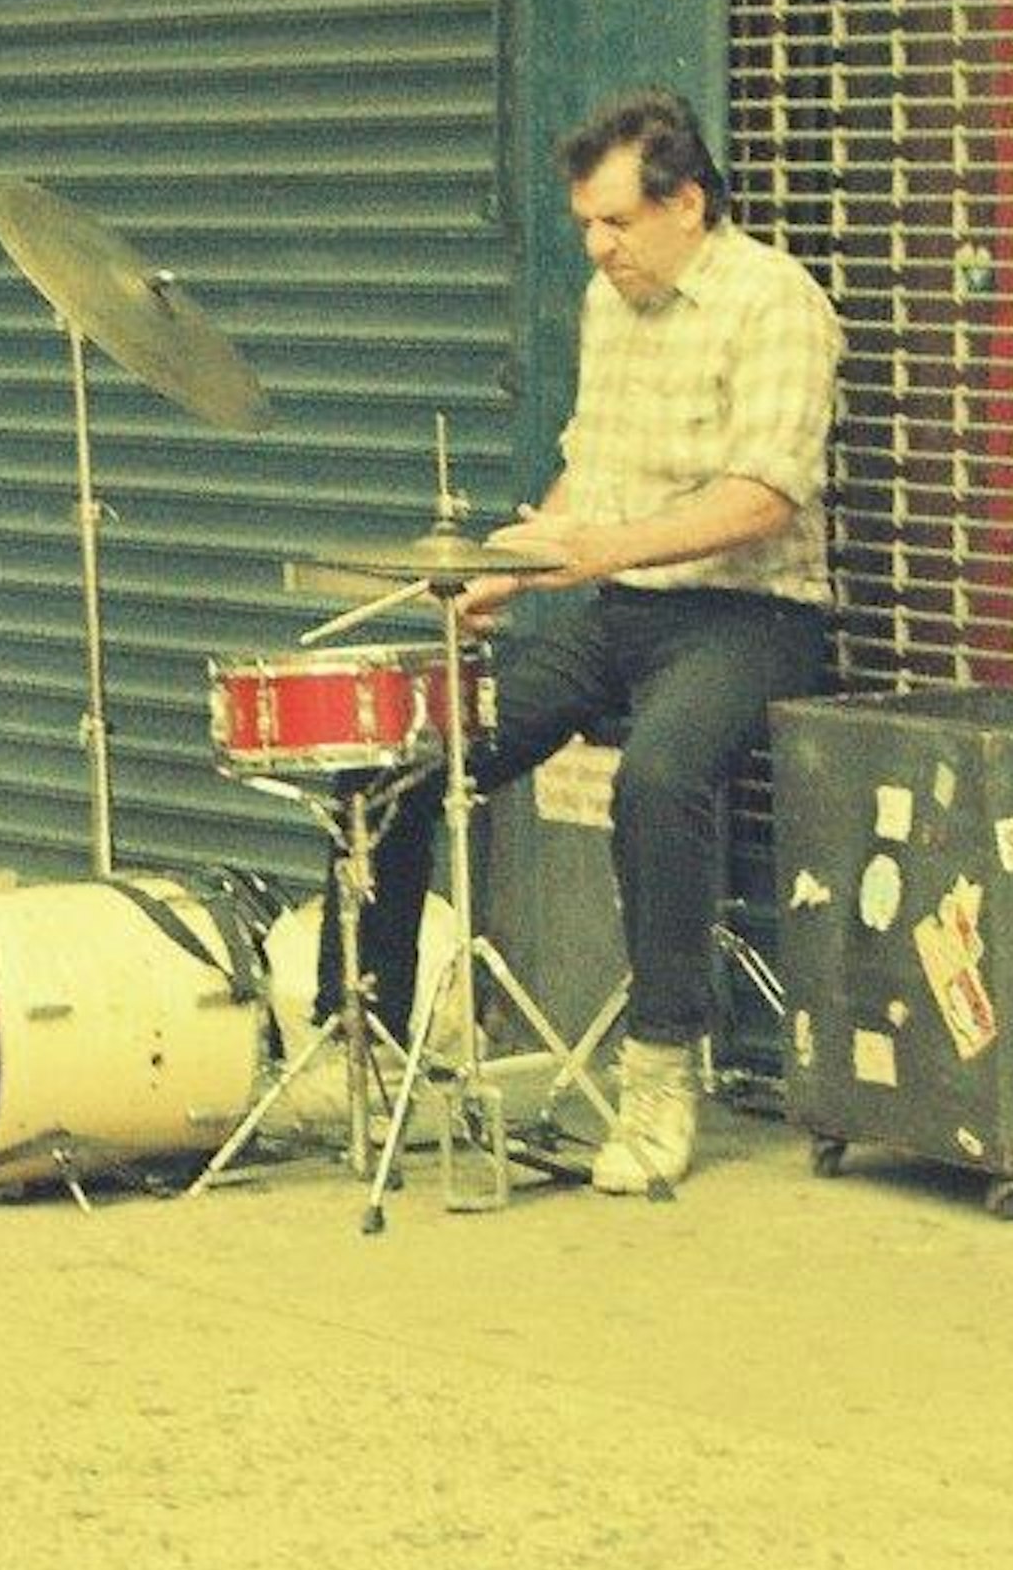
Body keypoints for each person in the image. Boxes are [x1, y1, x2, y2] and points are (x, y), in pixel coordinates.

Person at [325, 89, 838, 1197]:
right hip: (621, 607)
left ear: (687, 201)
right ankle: (358, 1045)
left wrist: (604, 549)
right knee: (410, 751)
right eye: (585, 226)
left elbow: (766, 497)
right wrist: (511, 570)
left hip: (754, 617)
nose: (597, 248)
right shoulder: (612, 304)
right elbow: (587, 474)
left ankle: (660, 1069)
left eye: (615, 223)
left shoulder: (775, 302)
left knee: (658, 776)